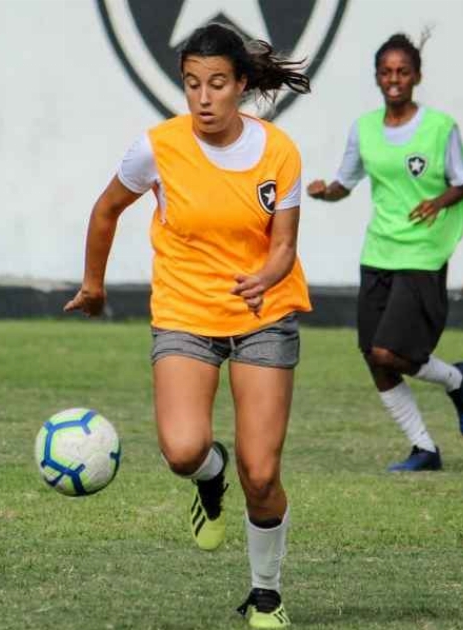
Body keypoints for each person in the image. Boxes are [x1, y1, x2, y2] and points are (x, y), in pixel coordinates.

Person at [64, 23, 310, 628]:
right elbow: (105, 211)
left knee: (263, 474)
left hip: (262, 317)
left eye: (217, 84)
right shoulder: (157, 147)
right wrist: (93, 285)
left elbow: (283, 247)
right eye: (193, 84)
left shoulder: (280, 151)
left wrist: (265, 277)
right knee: (182, 451)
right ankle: (209, 474)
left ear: (242, 85)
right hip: (185, 314)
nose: (203, 98)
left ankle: (267, 594)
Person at [306, 32, 463, 472]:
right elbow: (343, 184)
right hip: (378, 252)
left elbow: (461, 181)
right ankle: (424, 448)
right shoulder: (364, 129)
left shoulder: (440, 127)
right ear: (376, 77)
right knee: (374, 357)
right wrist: (323, 192)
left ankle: (458, 380)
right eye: (386, 72)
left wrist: (436, 202)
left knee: (388, 352)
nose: (394, 79)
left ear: (417, 76)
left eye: (402, 71)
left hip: (422, 254)